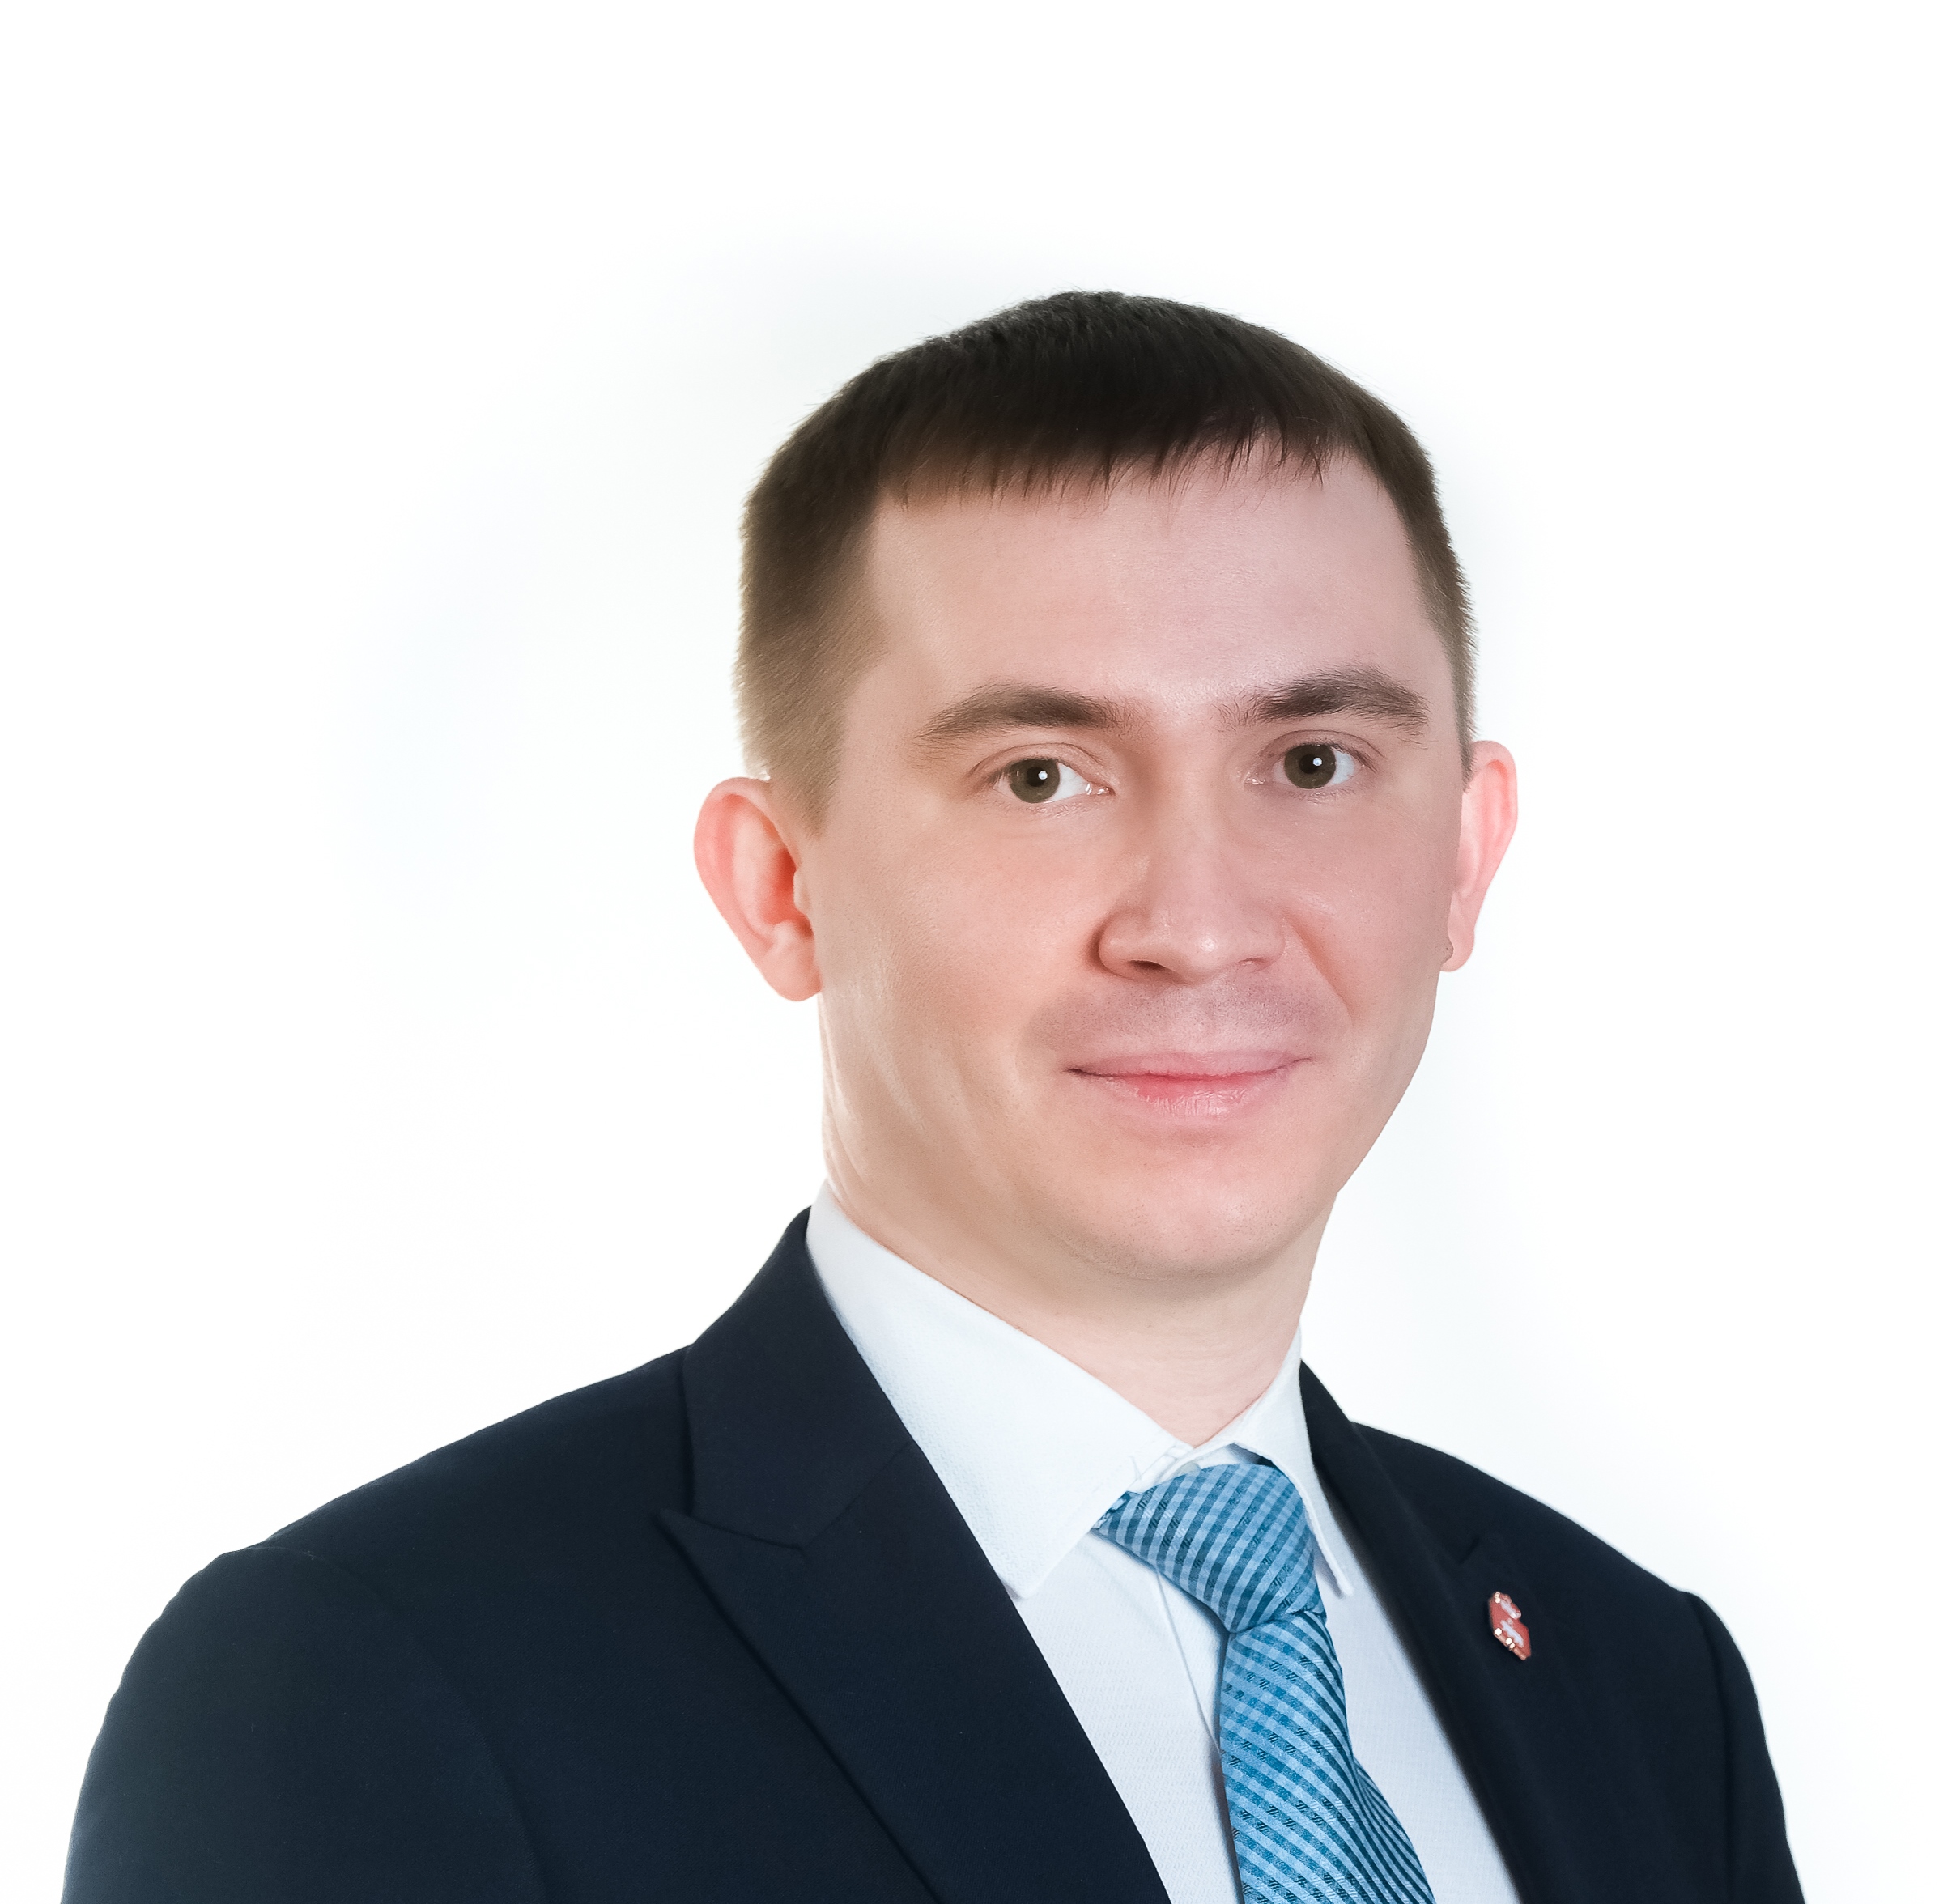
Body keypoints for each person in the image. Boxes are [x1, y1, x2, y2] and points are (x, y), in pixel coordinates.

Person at [63, 293, 1803, 1904]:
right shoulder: (368, 1682)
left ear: (1464, 856)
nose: (1197, 924)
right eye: (1039, 776)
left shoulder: (1639, 1685)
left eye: (1310, 761)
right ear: (781, 887)